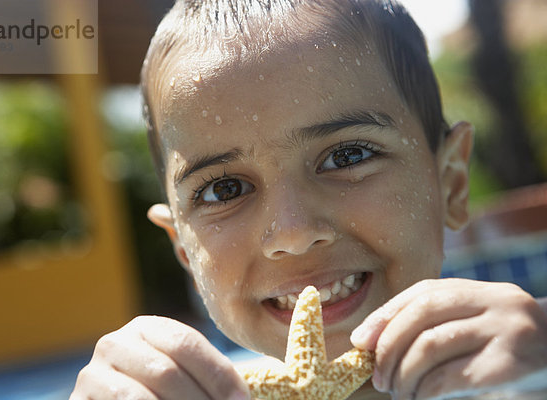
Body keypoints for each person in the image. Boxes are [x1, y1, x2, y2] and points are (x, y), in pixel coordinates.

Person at [70, 0, 547, 399]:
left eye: (346, 156)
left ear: (451, 183)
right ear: (184, 251)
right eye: (224, 189)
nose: (294, 234)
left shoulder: (524, 369)